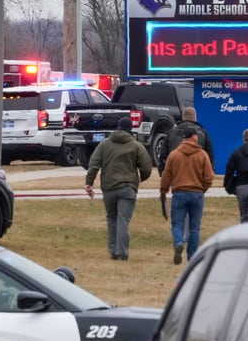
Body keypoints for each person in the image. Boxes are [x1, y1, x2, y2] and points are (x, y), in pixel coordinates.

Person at [84, 117, 153, 261]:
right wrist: (141, 178)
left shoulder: (104, 144)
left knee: (111, 218)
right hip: (128, 187)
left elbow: (94, 164)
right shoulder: (136, 145)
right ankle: (121, 252)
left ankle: (113, 250)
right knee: (123, 220)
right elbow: (146, 166)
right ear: (130, 129)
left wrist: (89, 183)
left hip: (109, 188)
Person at [160, 125, 215, 265]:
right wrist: (203, 189)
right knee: (195, 228)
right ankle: (192, 258)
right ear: (194, 138)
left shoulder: (174, 155)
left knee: (177, 224)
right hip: (197, 193)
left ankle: (178, 242)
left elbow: (166, 176)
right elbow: (209, 176)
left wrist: (163, 191)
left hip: (179, 193)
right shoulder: (202, 155)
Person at [158, 106, 215, 176]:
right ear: (195, 118)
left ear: (183, 118)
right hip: (197, 177)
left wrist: (162, 173)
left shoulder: (171, 133)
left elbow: (163, 155)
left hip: (176, 176)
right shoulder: (203, 133)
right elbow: (210, 156)